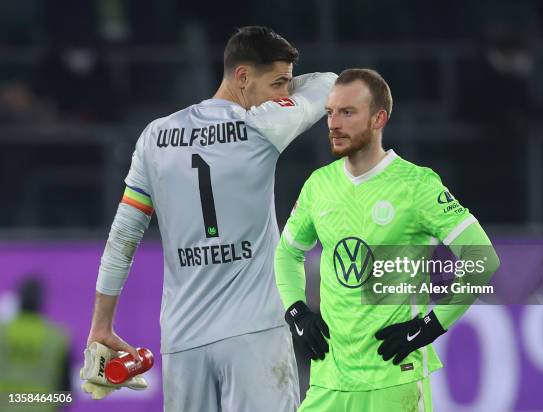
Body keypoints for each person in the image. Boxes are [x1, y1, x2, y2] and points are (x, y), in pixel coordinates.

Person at [83, 26, 337, 411]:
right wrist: (283, 99)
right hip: (255, 334)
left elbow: (122, 239)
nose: (284, 95)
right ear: (242, 77)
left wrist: (101, 326)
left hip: (184, 340)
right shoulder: (265, 126)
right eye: (278, 83)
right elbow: (329, 84)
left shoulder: (155, 137)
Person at [275, 68, 500, 412]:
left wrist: (430, 326)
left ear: (379, 118)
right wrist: (296, 311)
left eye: (347, 112)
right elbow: (287, 252)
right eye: (330, 112)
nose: (334, 123)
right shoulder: (318, 185)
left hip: (395, 381)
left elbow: (482, 259)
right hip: (330, 381)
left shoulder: (416, 185)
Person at [0, 277, 70, 411]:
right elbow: (65, 389)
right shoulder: (56, 337)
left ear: (18, 300)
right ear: (41, 302)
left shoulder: (2, 332)